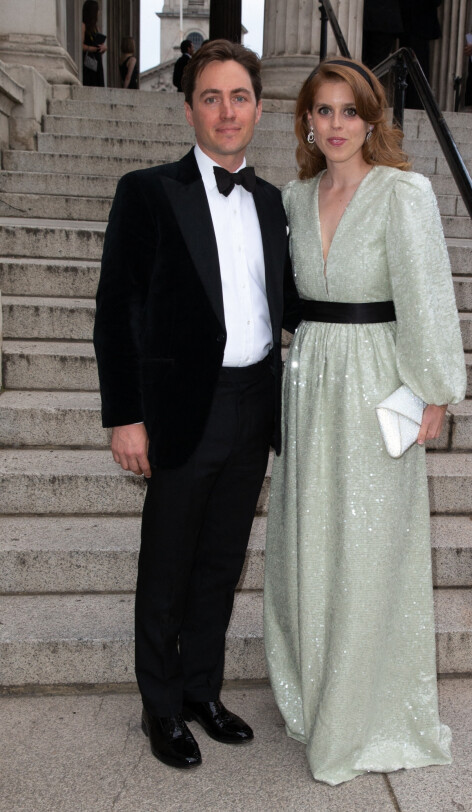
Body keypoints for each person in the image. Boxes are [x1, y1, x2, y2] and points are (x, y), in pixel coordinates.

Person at [93, 39, 300, 770]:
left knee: (220, 560)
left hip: (253, 404)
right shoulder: (147, 191)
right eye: (210, 97)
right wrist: (125, 415)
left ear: (259, 108)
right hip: (184, 406)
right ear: (189, 109)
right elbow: (116, 311)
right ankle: (160, 706)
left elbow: (297, 306)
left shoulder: (274, 202)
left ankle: (202, 691)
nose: (226, 110)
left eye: (238, 96)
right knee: (169, 563)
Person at [264, 57, 466, 786]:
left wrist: (436, 390)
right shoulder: (292, 197)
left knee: (370, 546)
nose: (337, 125)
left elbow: (426, 293)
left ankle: (364, 712)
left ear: (372, 119)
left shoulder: (402, 193)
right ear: (307, 123)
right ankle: (318, 692)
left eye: (350, 111)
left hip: (378, 376)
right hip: (310, 374)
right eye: (323, 111)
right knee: (309, 537)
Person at [82, 0, 106, 87]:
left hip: (97, 60)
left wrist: (103, 48)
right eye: (98, 10)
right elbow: (81, 46)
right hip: (88, 61)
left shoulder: (96, 28)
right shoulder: (83, 26)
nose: (99, 13)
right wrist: (93, 49)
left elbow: (98, 46)